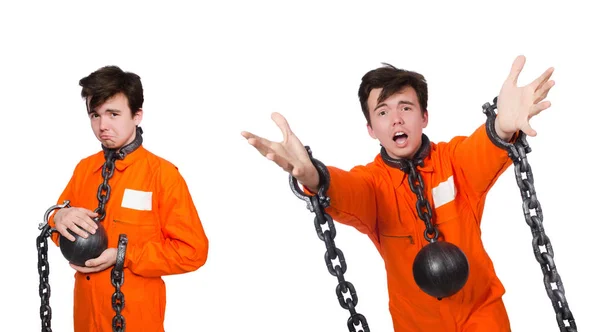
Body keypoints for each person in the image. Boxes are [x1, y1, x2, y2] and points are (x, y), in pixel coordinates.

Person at [241, 55, 554, 331]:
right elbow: (348, 191)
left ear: (424, 117)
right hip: (416, 324)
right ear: (371, 129)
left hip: (482, 315)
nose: (396, 119)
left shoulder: (455, 162)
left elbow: (481, 151)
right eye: (382, 113)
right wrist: (313, 175)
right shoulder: (373, 185)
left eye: (406, 107)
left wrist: (500, 127)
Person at [47, 65, 210, 332]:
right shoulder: (85, 170)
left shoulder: (163, 176)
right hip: (87, 320)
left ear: (137, 115)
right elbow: (58, 227)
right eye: (95, 115)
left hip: (136, 320)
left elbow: (193, 252)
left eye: (113, 114)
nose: (102, 126)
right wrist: (58, 216)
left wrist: (124, 255)